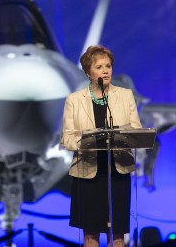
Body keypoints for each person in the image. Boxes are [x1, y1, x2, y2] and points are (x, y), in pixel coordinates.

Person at [60, 45, 142, 247]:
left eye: (108, 66)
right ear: (89, 72)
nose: (105, 71)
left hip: (118, 173)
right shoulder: (74, 100)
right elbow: (67, 139)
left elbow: (136, 132)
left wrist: (125, 137)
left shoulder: (125, 96)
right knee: (91, 234)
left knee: (117, 235)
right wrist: (90, 140)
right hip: (88, 175)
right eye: (99, 67)